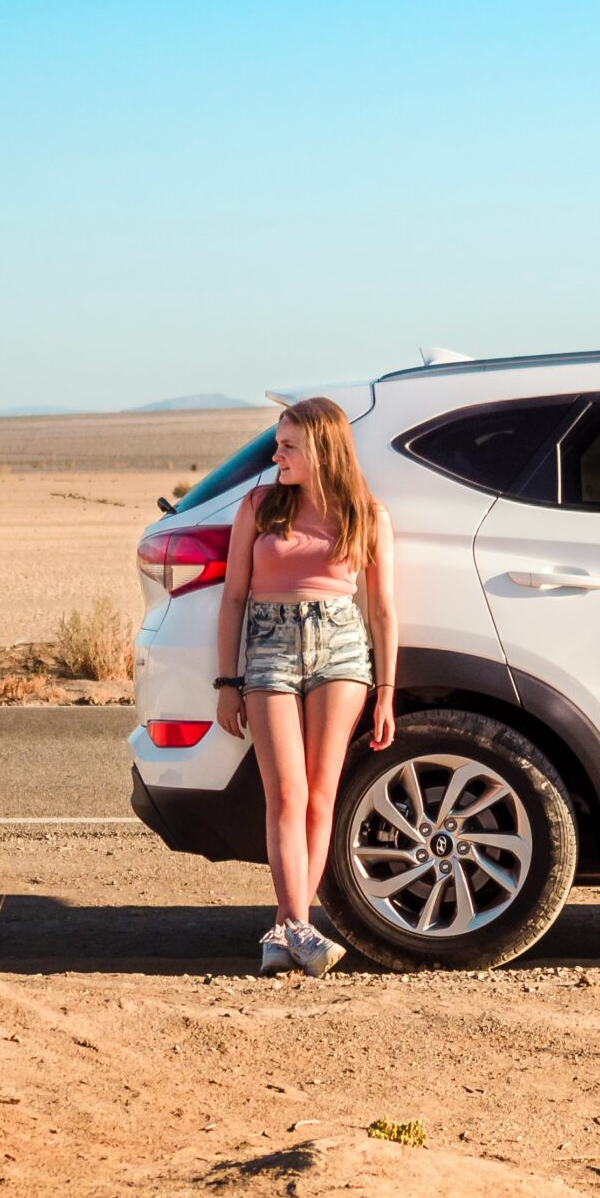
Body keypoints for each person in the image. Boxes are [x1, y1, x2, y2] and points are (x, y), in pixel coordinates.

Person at [211, 396, 397, 974]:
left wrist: (387, 691)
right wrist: (227, 681)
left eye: (288, 446)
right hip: (268, 646)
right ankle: (299, 927)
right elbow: (234, 597)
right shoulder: (260, 506)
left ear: (322, 448)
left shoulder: (367, 514)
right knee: (286, 795)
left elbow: (383, 610)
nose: (276, 454)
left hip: (341, 649)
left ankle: (287, 930)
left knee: (321, 795)